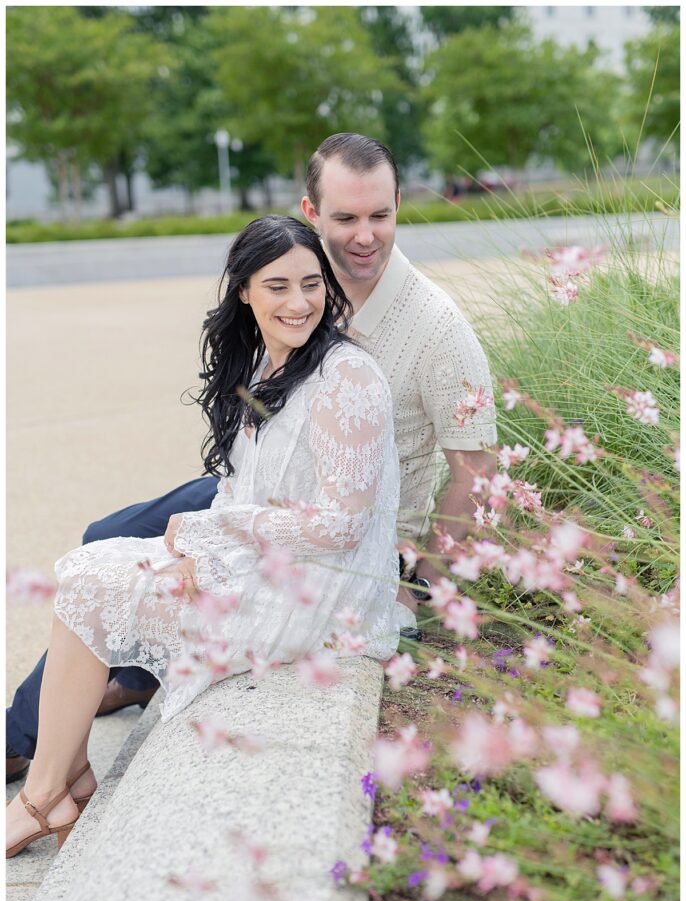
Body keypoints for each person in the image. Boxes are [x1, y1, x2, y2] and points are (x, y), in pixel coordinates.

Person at [6, 133, 497, 783]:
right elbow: (259, 410)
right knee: (106, 535)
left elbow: (477, 468)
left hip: (341, 534)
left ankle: (25, 737)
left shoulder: (436, 327)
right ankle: (116, 685)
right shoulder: (299, 283)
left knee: (126, 564)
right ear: (311, 211)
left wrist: (418, 587)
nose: (365, 235)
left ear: (399, 205)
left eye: (381, 215)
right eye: (345, 218)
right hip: (263, 496)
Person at [6, 215, 403, 857]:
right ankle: (65, 776)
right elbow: (245, 487)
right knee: (84, 569)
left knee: (97, 582)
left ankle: (42, 794)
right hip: (266, 565)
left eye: (311, 284)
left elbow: (342, 524)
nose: (299, 303)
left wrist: (215, 530)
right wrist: (203, 545)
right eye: (277, 286)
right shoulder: (268, 364)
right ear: (244, 291)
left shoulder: (346, 377)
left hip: (323, 595)